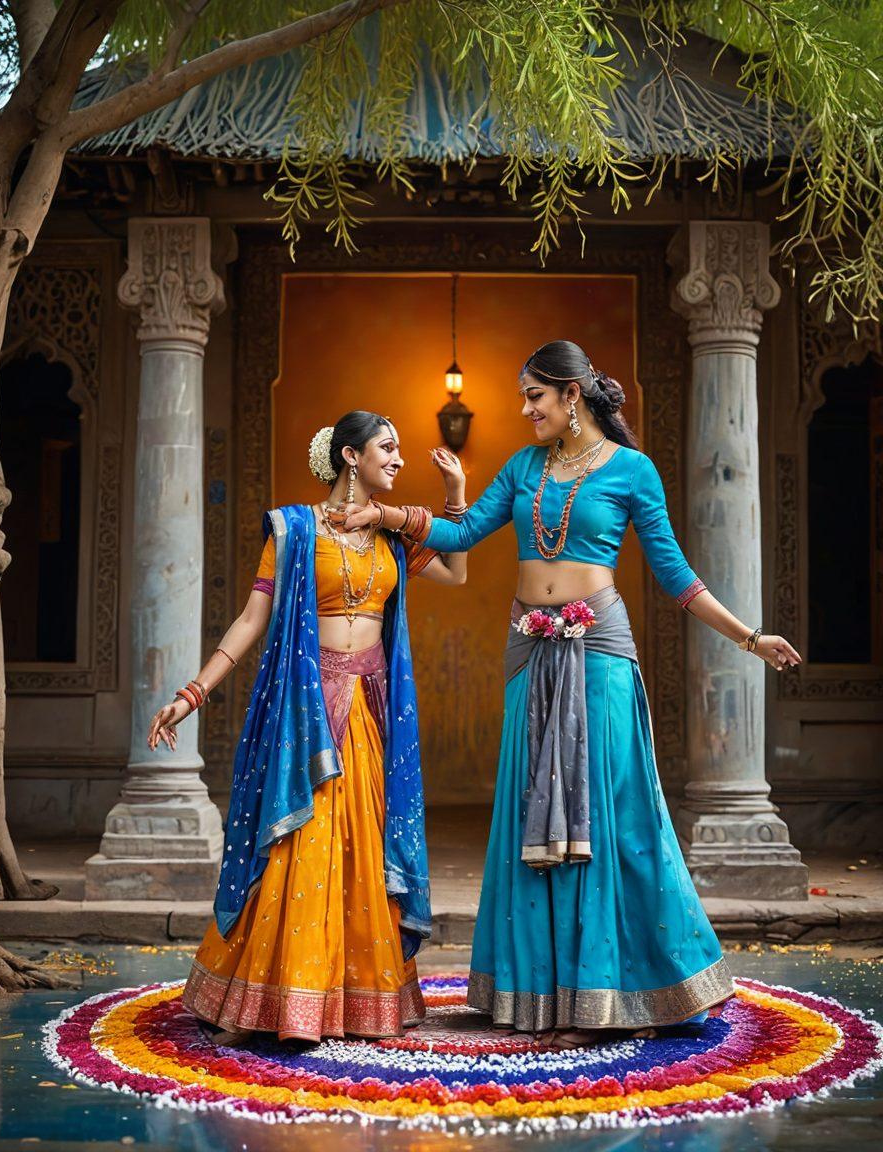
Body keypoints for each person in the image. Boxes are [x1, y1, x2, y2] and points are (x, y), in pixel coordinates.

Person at [341, 341, 802, 1046]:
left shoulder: (631, 471)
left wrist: (750, 637)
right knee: (532, 809)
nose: (526, 410)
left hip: (600, 652)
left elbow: (676, 575)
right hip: (528, 649)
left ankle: (608, 994)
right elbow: (464, 532)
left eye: (535, 396)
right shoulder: (524, 467)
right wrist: (395, 515)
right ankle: (536, 995)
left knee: (607, 809)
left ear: (572, 395)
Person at [147, 411, 467, 1043]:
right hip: (307, 707)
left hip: (370, 708)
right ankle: (272, 1002)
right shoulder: (294, 529)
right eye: (387, 448)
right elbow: (252, 618)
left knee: (362, 843)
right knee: (303, 837)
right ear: (351, 456)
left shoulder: (393, 533)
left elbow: (456, 572)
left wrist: (455, 494)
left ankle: (356, 1001)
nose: (399, 459)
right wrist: (193, 693)